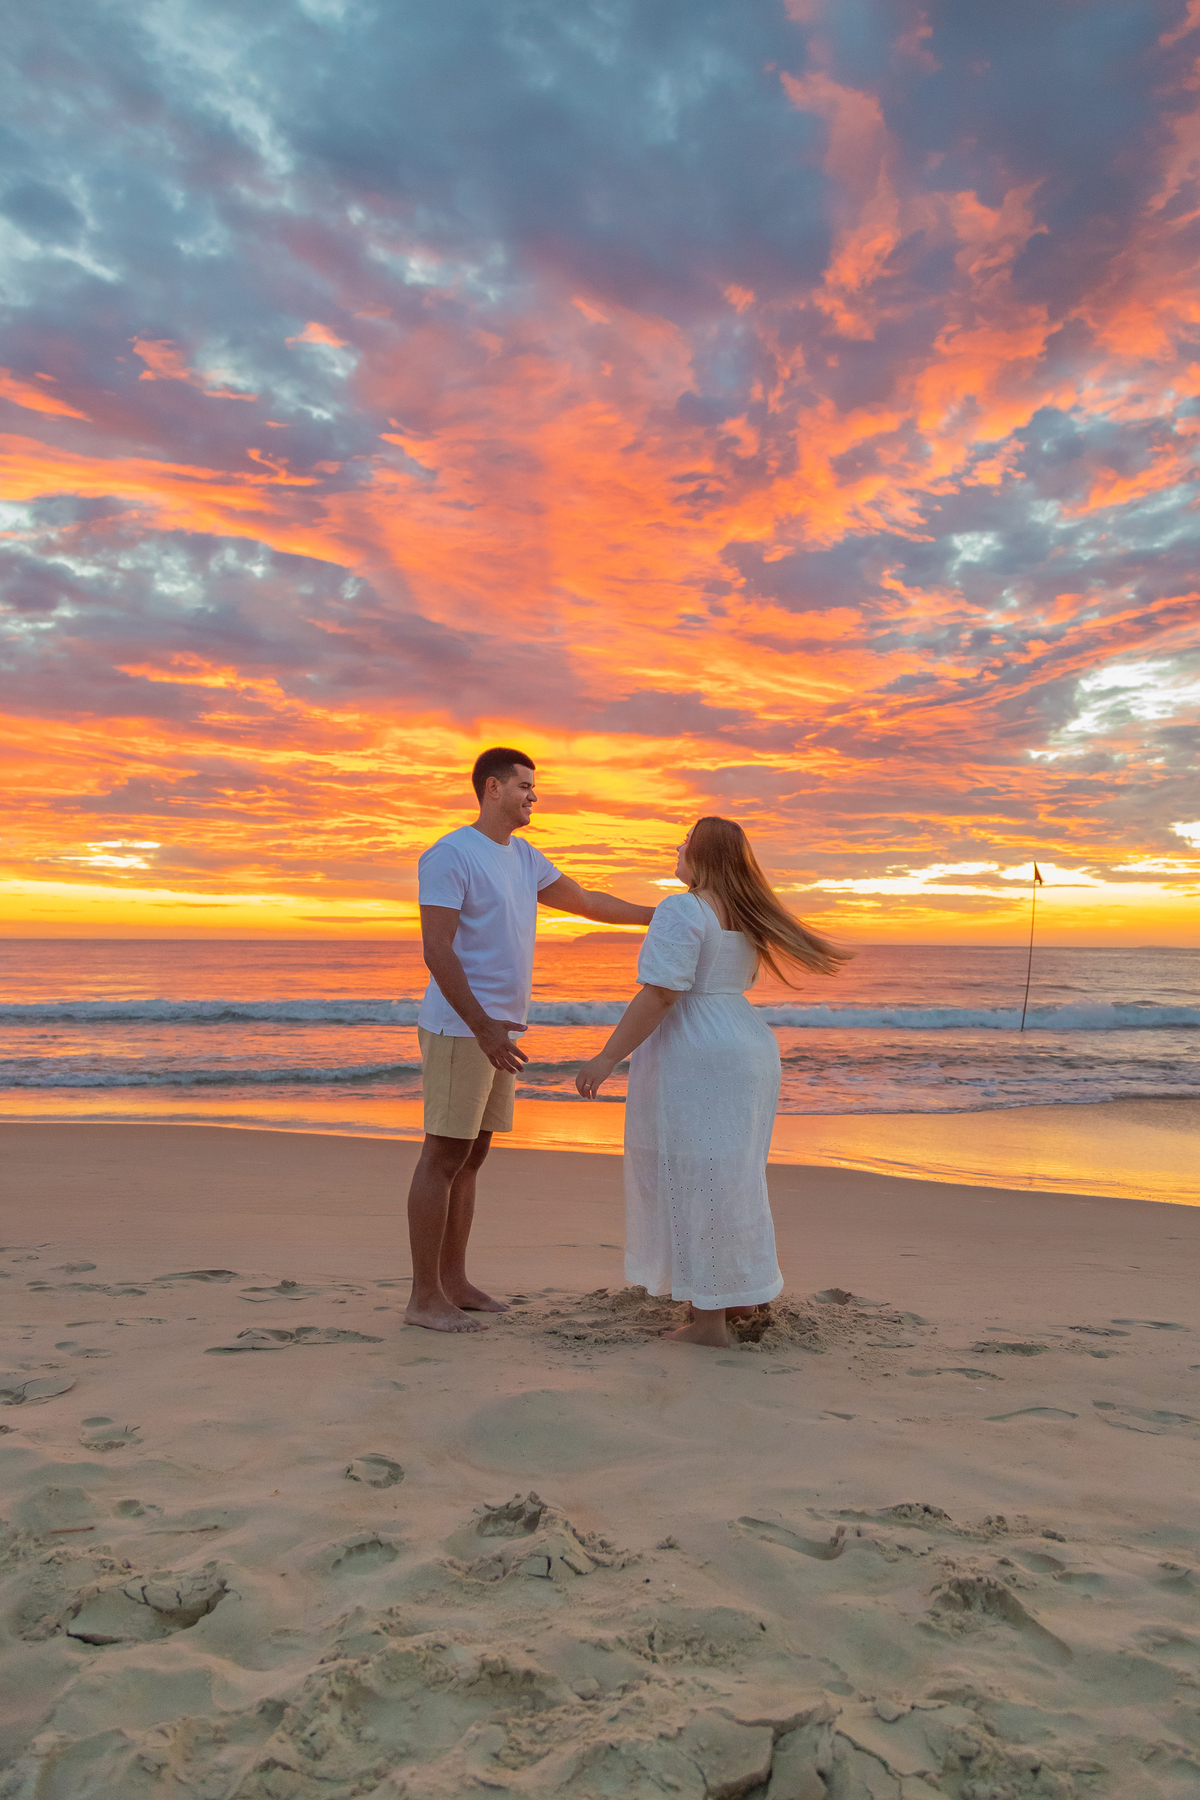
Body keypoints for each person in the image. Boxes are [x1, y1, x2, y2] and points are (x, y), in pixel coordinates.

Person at [576, 817, 852, 1348]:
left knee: (696, 1180)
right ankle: (740, 1296)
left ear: (703, 855)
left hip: (697, 1050)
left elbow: (662, 993)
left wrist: (608, 1056)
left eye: (686, 841)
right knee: (732, 1177)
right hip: (745, 1043)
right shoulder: (745, 913)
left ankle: (708, 1325)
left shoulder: (683, 908)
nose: (677, 847)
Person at [406, 746, 655, 1333]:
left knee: (472, 1157)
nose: (533, 796)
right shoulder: (450, 854)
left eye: (533, 787)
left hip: (498, 1032)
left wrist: (665, 914)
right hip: (462, 1028)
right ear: (492, 788)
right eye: (524, 786)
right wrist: (482, 1026)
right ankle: (423, 1298)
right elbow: (436, 949)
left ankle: (455, 1282)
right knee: (443, 1156)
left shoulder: (523, 857)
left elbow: (587, 902)